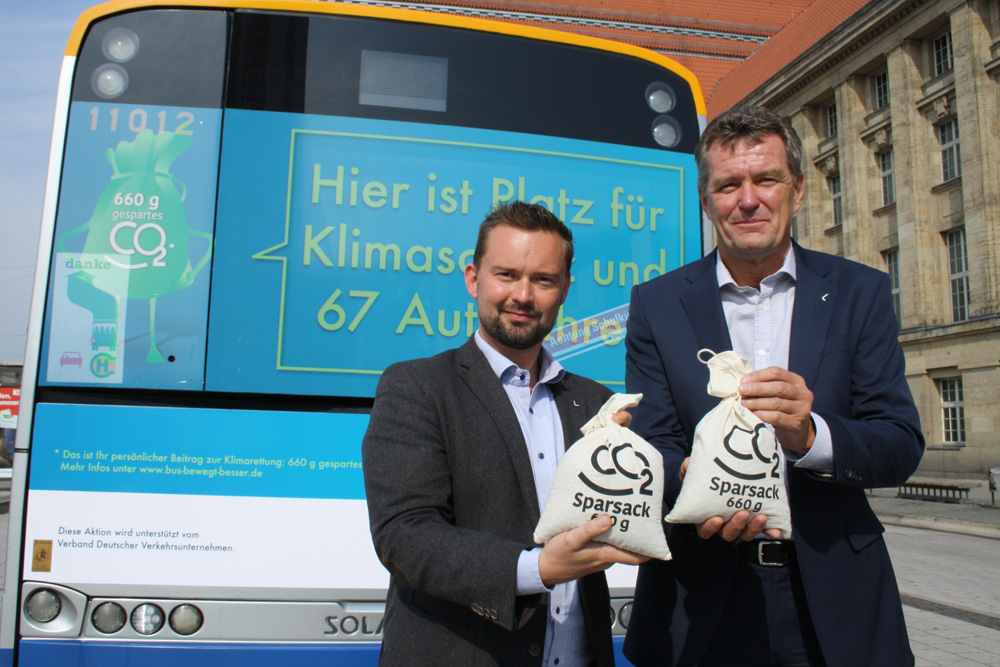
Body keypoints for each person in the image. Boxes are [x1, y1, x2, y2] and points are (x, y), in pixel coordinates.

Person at [622, 106, 924, 667]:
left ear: (798, 190)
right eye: (728, 185)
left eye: (766, 179)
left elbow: (899, 443)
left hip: (833, 598)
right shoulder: (657, 304)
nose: (748, 200)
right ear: (706, 200)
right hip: (702, 597)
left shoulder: (859, 293)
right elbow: (652, 443)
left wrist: (810, 436)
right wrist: (691, 480)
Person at [363, 201, 646, 666]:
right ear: (474, 279)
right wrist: (537, 568)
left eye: (543, 280)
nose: (523, 295)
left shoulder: (597, 404)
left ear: (564, 290)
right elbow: (405, 535)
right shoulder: (417, 387)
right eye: (507, 275)